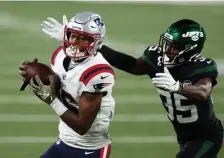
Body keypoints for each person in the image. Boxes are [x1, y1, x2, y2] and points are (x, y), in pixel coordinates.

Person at [41, 17, 223, 158]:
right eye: (167, 43)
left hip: (206, 136)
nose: (167, 50)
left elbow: (203, 92)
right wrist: (93, 45)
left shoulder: (203, 66)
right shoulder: (156, 57)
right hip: (184, 135)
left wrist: (178, 87)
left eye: (174, 47)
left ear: (190, 49)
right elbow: (133, 66)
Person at [19, 12, 114, 158]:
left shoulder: (97, 72)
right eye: (74, 36)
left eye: (83, 39)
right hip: (64, 140)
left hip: (90, 149)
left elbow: (82, 126)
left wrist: (52, 100)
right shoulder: (59, 55)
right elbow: (57, 84)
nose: (75, 42)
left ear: (96, 42)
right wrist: (37, 76)